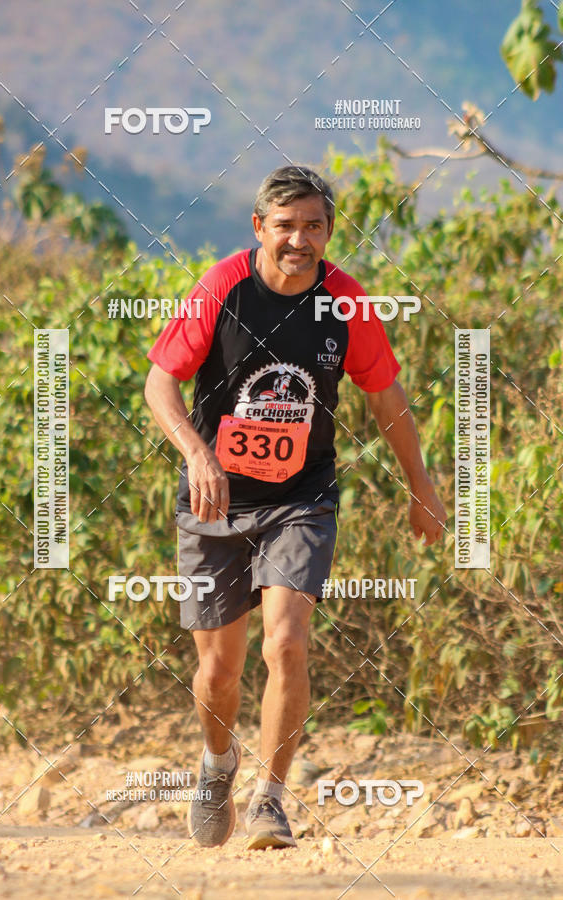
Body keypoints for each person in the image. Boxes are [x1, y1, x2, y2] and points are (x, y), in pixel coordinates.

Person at [144, 165, 446, 850]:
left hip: (301, 501)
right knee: (219, 674)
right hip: (214, 501)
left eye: (313, 226)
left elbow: (386, 397)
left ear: (328, 232)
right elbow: (160, 384)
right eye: (285, 226)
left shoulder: (346, 302)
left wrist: (421, 487)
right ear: (259, 228)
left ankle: (270, 800)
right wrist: (196, 454)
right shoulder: (222, 288)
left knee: (285, 641)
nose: (298, 240)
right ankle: (218, 766)